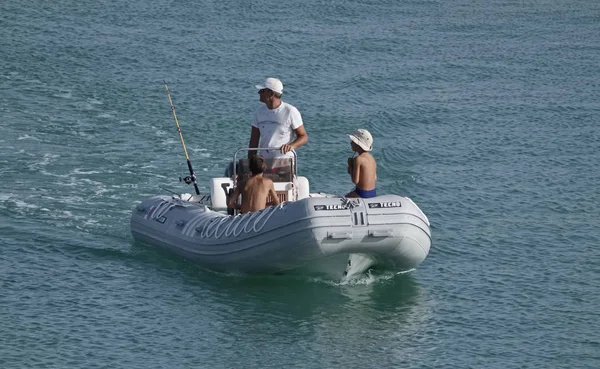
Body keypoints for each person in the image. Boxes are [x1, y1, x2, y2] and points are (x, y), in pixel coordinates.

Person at [248, 77, 308, 160]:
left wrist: (291, 146)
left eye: (262, 91)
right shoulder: (259, 112)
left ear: (271, 93)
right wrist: (250, 162)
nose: (259, 92)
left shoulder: (290, 111)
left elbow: (303, 136)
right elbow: (254, 140)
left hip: (284, 160)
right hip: (264, 161)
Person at [345, 129, 377, 198]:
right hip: (373, 193)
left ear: (358, 145)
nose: (351, 143)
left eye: (353, 141)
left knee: (344, 199)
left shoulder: (358, 159)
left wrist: (350, 167)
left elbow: (355, 181)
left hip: (362, 194)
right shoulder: (371, 158)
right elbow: (375, 178)